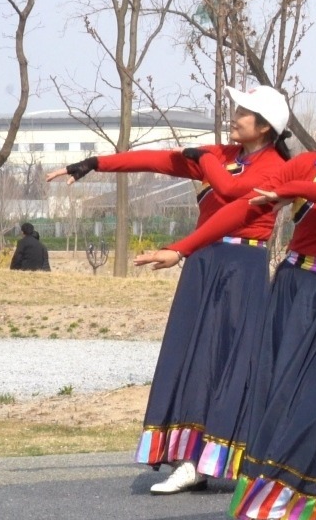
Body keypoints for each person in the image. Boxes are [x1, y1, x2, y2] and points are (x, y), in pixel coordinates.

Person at [137, 83, 316, 520]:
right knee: (276, 397)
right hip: (292, 289)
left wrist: (289, 189)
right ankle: (263, 513)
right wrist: (182, 248)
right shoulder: (308, 164)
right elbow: (245, 206)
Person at [49, 86, 291, 493]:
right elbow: (160, 160)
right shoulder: (225, 156)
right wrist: (94, 163)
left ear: (265, 127)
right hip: (203, 262)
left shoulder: (277, 169)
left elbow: (233, 194)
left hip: (241, 267)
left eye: (243, 113)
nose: (233, 117)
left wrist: (207, 159)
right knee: (192, 355)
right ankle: (189, 455)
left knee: (230, 360)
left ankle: (218, 457)